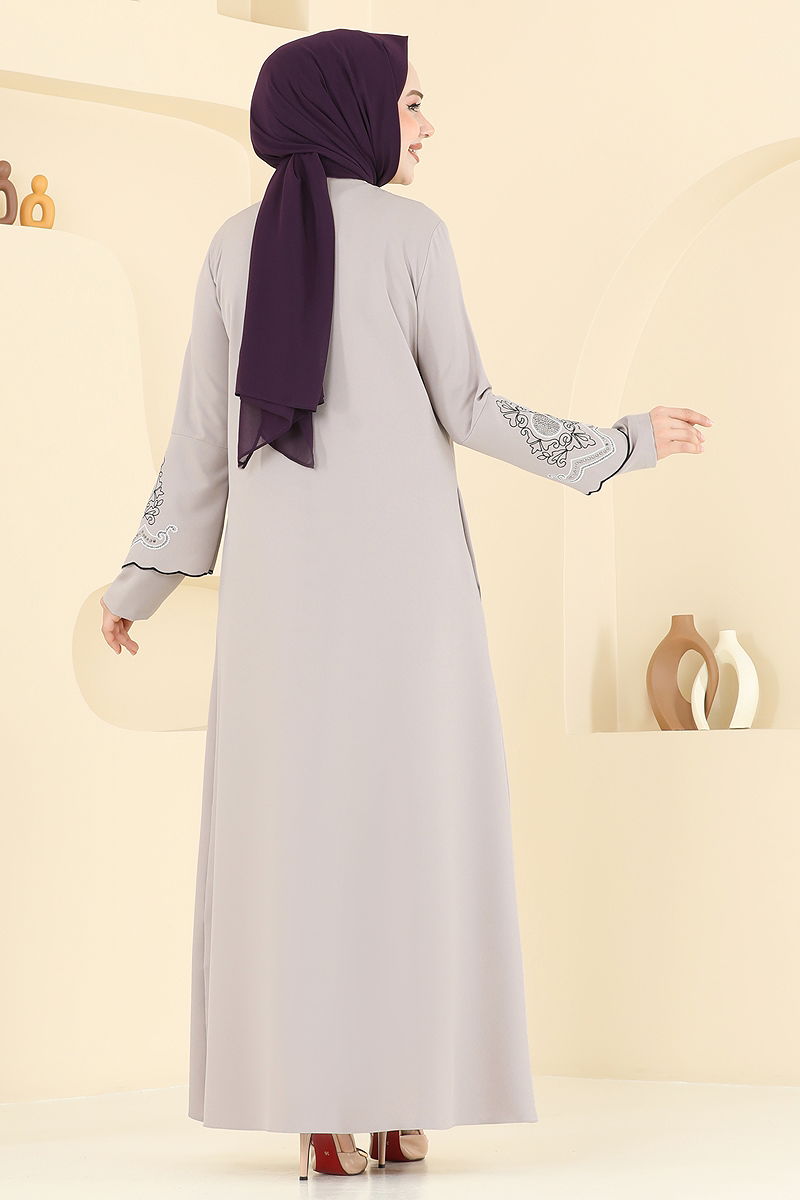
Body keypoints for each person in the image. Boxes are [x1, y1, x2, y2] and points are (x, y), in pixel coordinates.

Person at [100, 29, 711, 1181]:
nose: (424, 125)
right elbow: (469, 406)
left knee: (299, 843)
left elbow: (197, 450)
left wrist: (139, 584)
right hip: (408, 603)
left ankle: (320, 1114)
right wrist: (620, 443)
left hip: (281, 610)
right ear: (348, 107)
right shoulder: (411, 235)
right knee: (409, 837)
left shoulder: (232, 247)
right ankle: (394, 1099)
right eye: (411, 101)